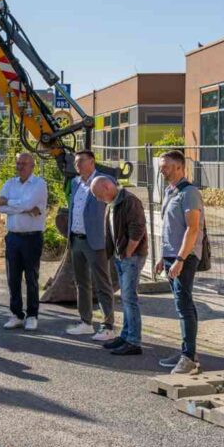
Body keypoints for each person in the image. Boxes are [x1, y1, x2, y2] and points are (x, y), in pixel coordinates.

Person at [155, 150, 204, 375]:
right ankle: (188, 351)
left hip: (184, 257)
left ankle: (189, 357)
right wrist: (162, 257)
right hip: (171, 256)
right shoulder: (170, 191)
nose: (162, 171)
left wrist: (180, 259)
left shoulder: (189, 193)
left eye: (166, 167)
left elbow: (192, 229)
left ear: (179, 167)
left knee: (184, 304)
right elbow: (169, 227)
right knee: (181, 304)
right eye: (161, 167)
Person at [91, 177, 146, 356]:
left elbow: (138, 229)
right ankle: (125, 335)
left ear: (107, 186)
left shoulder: (130, 201)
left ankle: (134, 341)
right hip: (121, 256)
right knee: (125, 297)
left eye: (99, 195)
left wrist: (128, 252)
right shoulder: (112, 204)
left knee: (129, 298)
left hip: (132, 256)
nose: (99, 199)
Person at [65, 150, 115, 342]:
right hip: (76, 239)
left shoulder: (104, 181)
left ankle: (108, 326)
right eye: (76, 162)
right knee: (81, 283)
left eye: (81, 161)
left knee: (102, 283)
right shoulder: (75, 182)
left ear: (92, 162)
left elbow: (111, 207)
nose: (77, 165)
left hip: (95, 240)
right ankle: (86, 322)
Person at [0, 152, 47, 331]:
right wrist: (25, 207)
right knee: (13, 278)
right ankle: (16, 314)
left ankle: (32, 315)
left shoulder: (39, 184)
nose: (20, 167)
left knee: (31, 278)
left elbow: (27, 204)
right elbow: (0, 207)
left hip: (32, 237)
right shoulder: (10, 183)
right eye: (18, 163)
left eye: (24, 164)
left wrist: (11, 203)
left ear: (32, 166)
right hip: (13, 237)